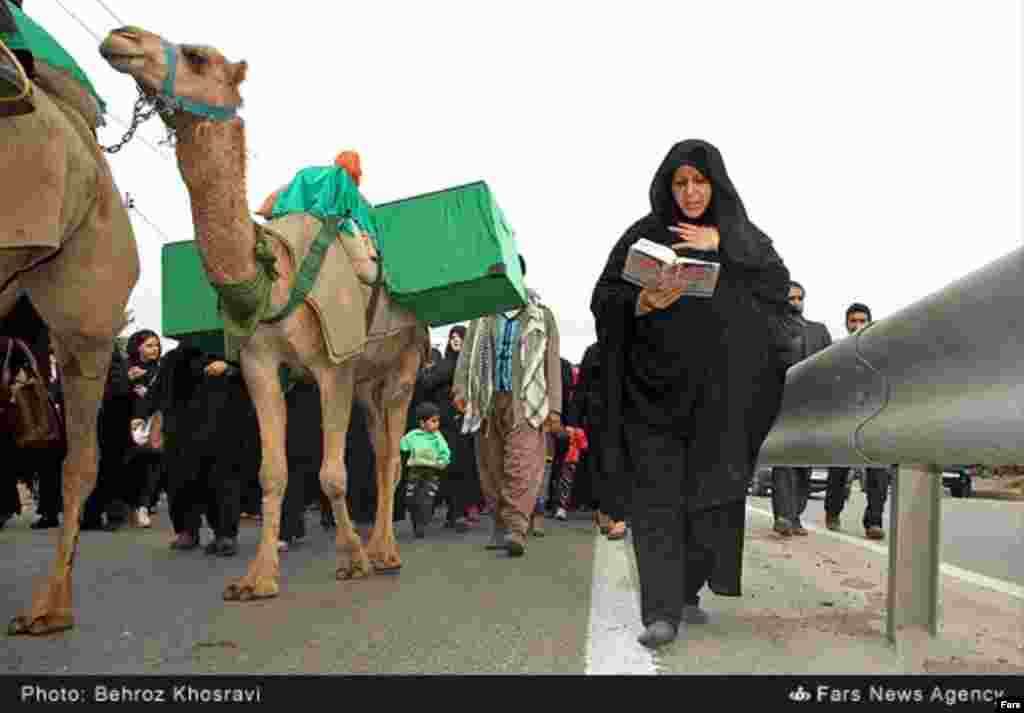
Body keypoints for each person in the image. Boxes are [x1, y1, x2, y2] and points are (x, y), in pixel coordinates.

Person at [590, 139, 791, 648]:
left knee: (709, 499)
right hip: (650, 395)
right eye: (680, 182)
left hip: (721, 398)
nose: (690, 191)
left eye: (699, 181)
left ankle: (687, 587)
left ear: (716, 183)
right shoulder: (643, 234)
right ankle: (660, 610)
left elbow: (776, 287)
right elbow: (603, 297)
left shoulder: (742, 236)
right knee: (655, 500)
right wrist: (643, 301)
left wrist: (719, 244)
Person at [453, 255, 563, 558]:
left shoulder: (542, 316)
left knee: (522, 464)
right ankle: (499, 524)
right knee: (491, 466)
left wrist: (554, 409)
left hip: (526, 402)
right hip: (487, 401)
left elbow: (551, 362)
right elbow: (467, 356)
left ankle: (516, 528)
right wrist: (461, 388)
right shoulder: (481, 316)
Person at [770, 280, 833, 537]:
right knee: (783, 460)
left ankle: (796, 515)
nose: (795, 303)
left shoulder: (819, 331)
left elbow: (831, 367)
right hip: (780, 404)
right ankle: (783, 516)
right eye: (790, 298)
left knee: (804, 463)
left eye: (799, 298)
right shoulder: (771, 328)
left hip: (811, 408)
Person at [824, 303, 891, 540]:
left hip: (874, 419)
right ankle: (832, 512)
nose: (858, 325)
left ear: (870, 322)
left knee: (879, 474)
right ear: (846, 324)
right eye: (853, 321)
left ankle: (874, 521)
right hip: (844, 420)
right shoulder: (836, 352)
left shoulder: (882, 353)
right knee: (838, 472)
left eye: (863, 320)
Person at [399, 401, 451, 539]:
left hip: (431, 472)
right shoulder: (412, 435)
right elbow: (402, 446)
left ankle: (422, 524)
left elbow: (445, 452)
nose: (436, 424)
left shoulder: (437, 437)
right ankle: (416, 522)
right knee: (411, 498)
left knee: (426, 499)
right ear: (422, 423)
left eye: (437, 421)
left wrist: (442, 461)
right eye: (433, 421)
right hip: (415, 471)